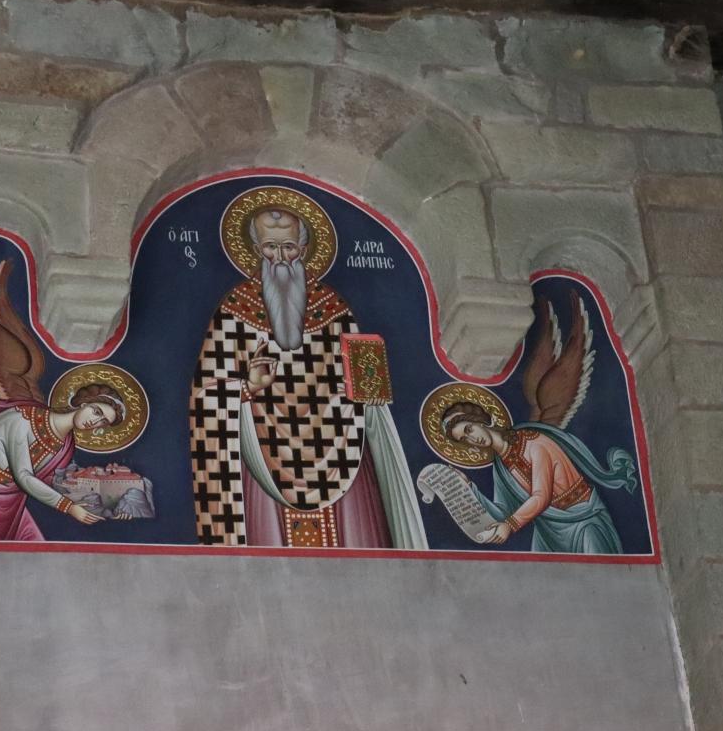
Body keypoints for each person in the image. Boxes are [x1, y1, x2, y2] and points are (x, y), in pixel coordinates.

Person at [190, 192, 426, 549]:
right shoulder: (235, 311)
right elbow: (206, 393)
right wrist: (247, 386)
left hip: (340, 450)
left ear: (304, 247)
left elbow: (370, 386)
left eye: (289, 247)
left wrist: (364, 390)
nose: (280, 257)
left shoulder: (334, 309)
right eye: (270, 247)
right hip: (263, 456)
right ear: (255, 249)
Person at [0, 362, 129, 540]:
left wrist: (112, 507)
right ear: (84, 403)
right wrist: (68, 507)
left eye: (103, 422)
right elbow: (23, 476)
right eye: (96, 411)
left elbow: (54, 482)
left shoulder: (65, 444)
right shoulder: (22, 420)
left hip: (11, 504)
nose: (95, 421)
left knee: (36, 551)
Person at [441, 400, 635, 555]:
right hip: (548, 532)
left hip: (583, 520)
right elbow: (503, 512)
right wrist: (468, 488)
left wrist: (510, 525)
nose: (472, 439)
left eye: (469, 429)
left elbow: (541, 496)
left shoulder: (534, 443)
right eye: (464, 439)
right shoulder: (500, 467)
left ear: (480, 421)